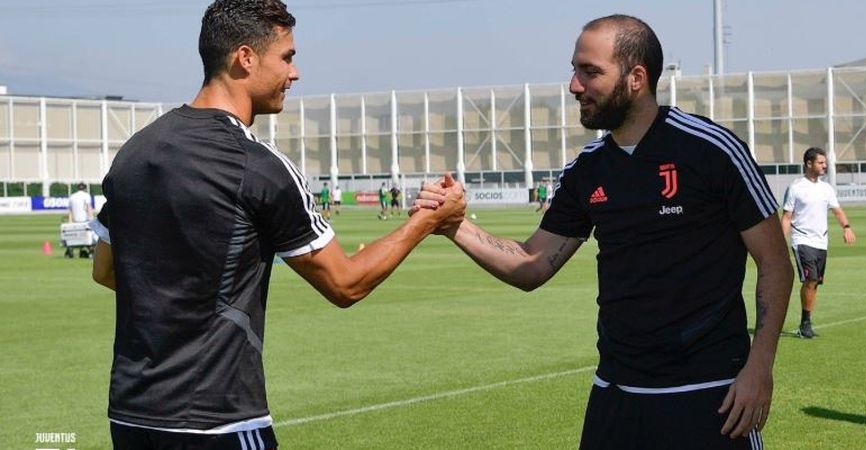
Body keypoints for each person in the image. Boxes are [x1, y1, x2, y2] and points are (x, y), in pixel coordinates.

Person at [88, 1, 465, 448]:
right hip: (220, 423)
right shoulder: (257, 166)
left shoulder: (134, 153)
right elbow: (345, 284)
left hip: (132, 418)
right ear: (245, 58)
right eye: (286, 57)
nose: (296, 72)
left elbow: (106, 271)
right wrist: (427, 221)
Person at [415, 14, 792, 450]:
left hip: (709, 393)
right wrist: (453, 225)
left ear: (636, 78)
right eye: (574, 70)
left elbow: (775, 264)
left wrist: (760, 366)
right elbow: (532, 265)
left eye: (590, 72)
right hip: (615, 394)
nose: (574, 85)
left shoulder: (712, 150)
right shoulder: (587, 169)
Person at [781, 147, 856, 339]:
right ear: (808, 164)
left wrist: (846, 227)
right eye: (821, 162)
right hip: (802, 240)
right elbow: (787, 217)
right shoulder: (796, 187)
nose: (825, 166)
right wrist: (780, 243)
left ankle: (806, 322)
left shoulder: (826, 188)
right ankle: (805, 325)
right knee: (810, 279)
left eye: (825, 162)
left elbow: (837, 210)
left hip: (821, 241)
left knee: (814, 284)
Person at [66, 182, 95, 258]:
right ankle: (91, 250)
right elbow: (89, 208)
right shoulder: (86, 196)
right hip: (84, 222)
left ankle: (70, 250)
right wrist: (92, 219)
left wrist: (70, 223)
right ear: (85, 189)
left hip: (75, 222)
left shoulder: (72, 197)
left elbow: (70, 212)